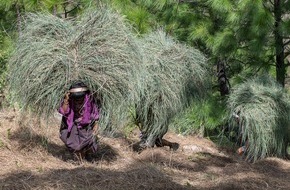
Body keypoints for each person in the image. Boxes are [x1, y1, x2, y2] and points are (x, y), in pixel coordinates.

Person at [58, 81, 100, 162]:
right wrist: (66, 100)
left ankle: (87, 154)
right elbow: (63, 111)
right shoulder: (70, 100)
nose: (78, 102)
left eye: (81, 99)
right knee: (72, 142)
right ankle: (79, 156)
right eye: (76, 100)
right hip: (72, 124)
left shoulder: (89, 100)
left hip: (85, 125)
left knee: (89, 142)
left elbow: (95, 112)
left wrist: (96, 124)